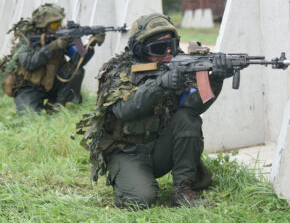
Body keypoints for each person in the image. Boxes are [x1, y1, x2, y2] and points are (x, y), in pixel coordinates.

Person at [76, 13, 234, 208]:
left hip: (160, 148)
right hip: (126, 151)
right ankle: (131, 181)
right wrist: (160, 85)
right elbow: (124, 110)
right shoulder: (118, 71)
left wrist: (216, 79)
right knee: (140, 200)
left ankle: (183, 190)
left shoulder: (177, 65)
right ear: (139, 49)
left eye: (172, 46)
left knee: (188, 118)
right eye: (159, 48)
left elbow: (193, 108)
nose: (168, 52)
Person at [0, 3, 105, 113]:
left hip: (53, 83)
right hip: (29, 86)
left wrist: (90, 45)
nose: (59, 28)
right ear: (42, 26)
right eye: (53, 25)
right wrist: (52, 47)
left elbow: (77, 62)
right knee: (29, 116)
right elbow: (29, 64)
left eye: (59, 23)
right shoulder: (27, 38)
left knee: (76, 72)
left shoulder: (64, 35)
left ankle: (58, 106)